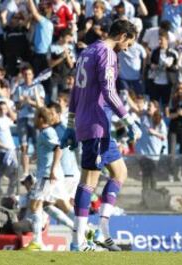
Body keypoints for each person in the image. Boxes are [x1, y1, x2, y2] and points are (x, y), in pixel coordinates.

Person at [61, 19, 141, 252]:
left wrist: (70, 124)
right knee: (89, 181)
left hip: (97, 124)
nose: (127, 49)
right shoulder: (107, 53)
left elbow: (75, 90)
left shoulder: (87, 51)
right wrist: (128, 118)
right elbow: (109, 90)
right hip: (96, 124)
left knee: (120, 172)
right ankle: (79, 240)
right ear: (123, 36)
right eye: (129, 43)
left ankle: (101, 231)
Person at [22, 107, 65, 251]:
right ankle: (38, 241)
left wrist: (52, 169)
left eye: (35, 117)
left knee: (35, 206)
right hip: (44, 174)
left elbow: (59, 148)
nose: (34, 119)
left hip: (46, 175)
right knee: (43, 206)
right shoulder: (44, 133)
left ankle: (37, 242)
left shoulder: (47, 132)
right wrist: (36, 155)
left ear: (41, 118)